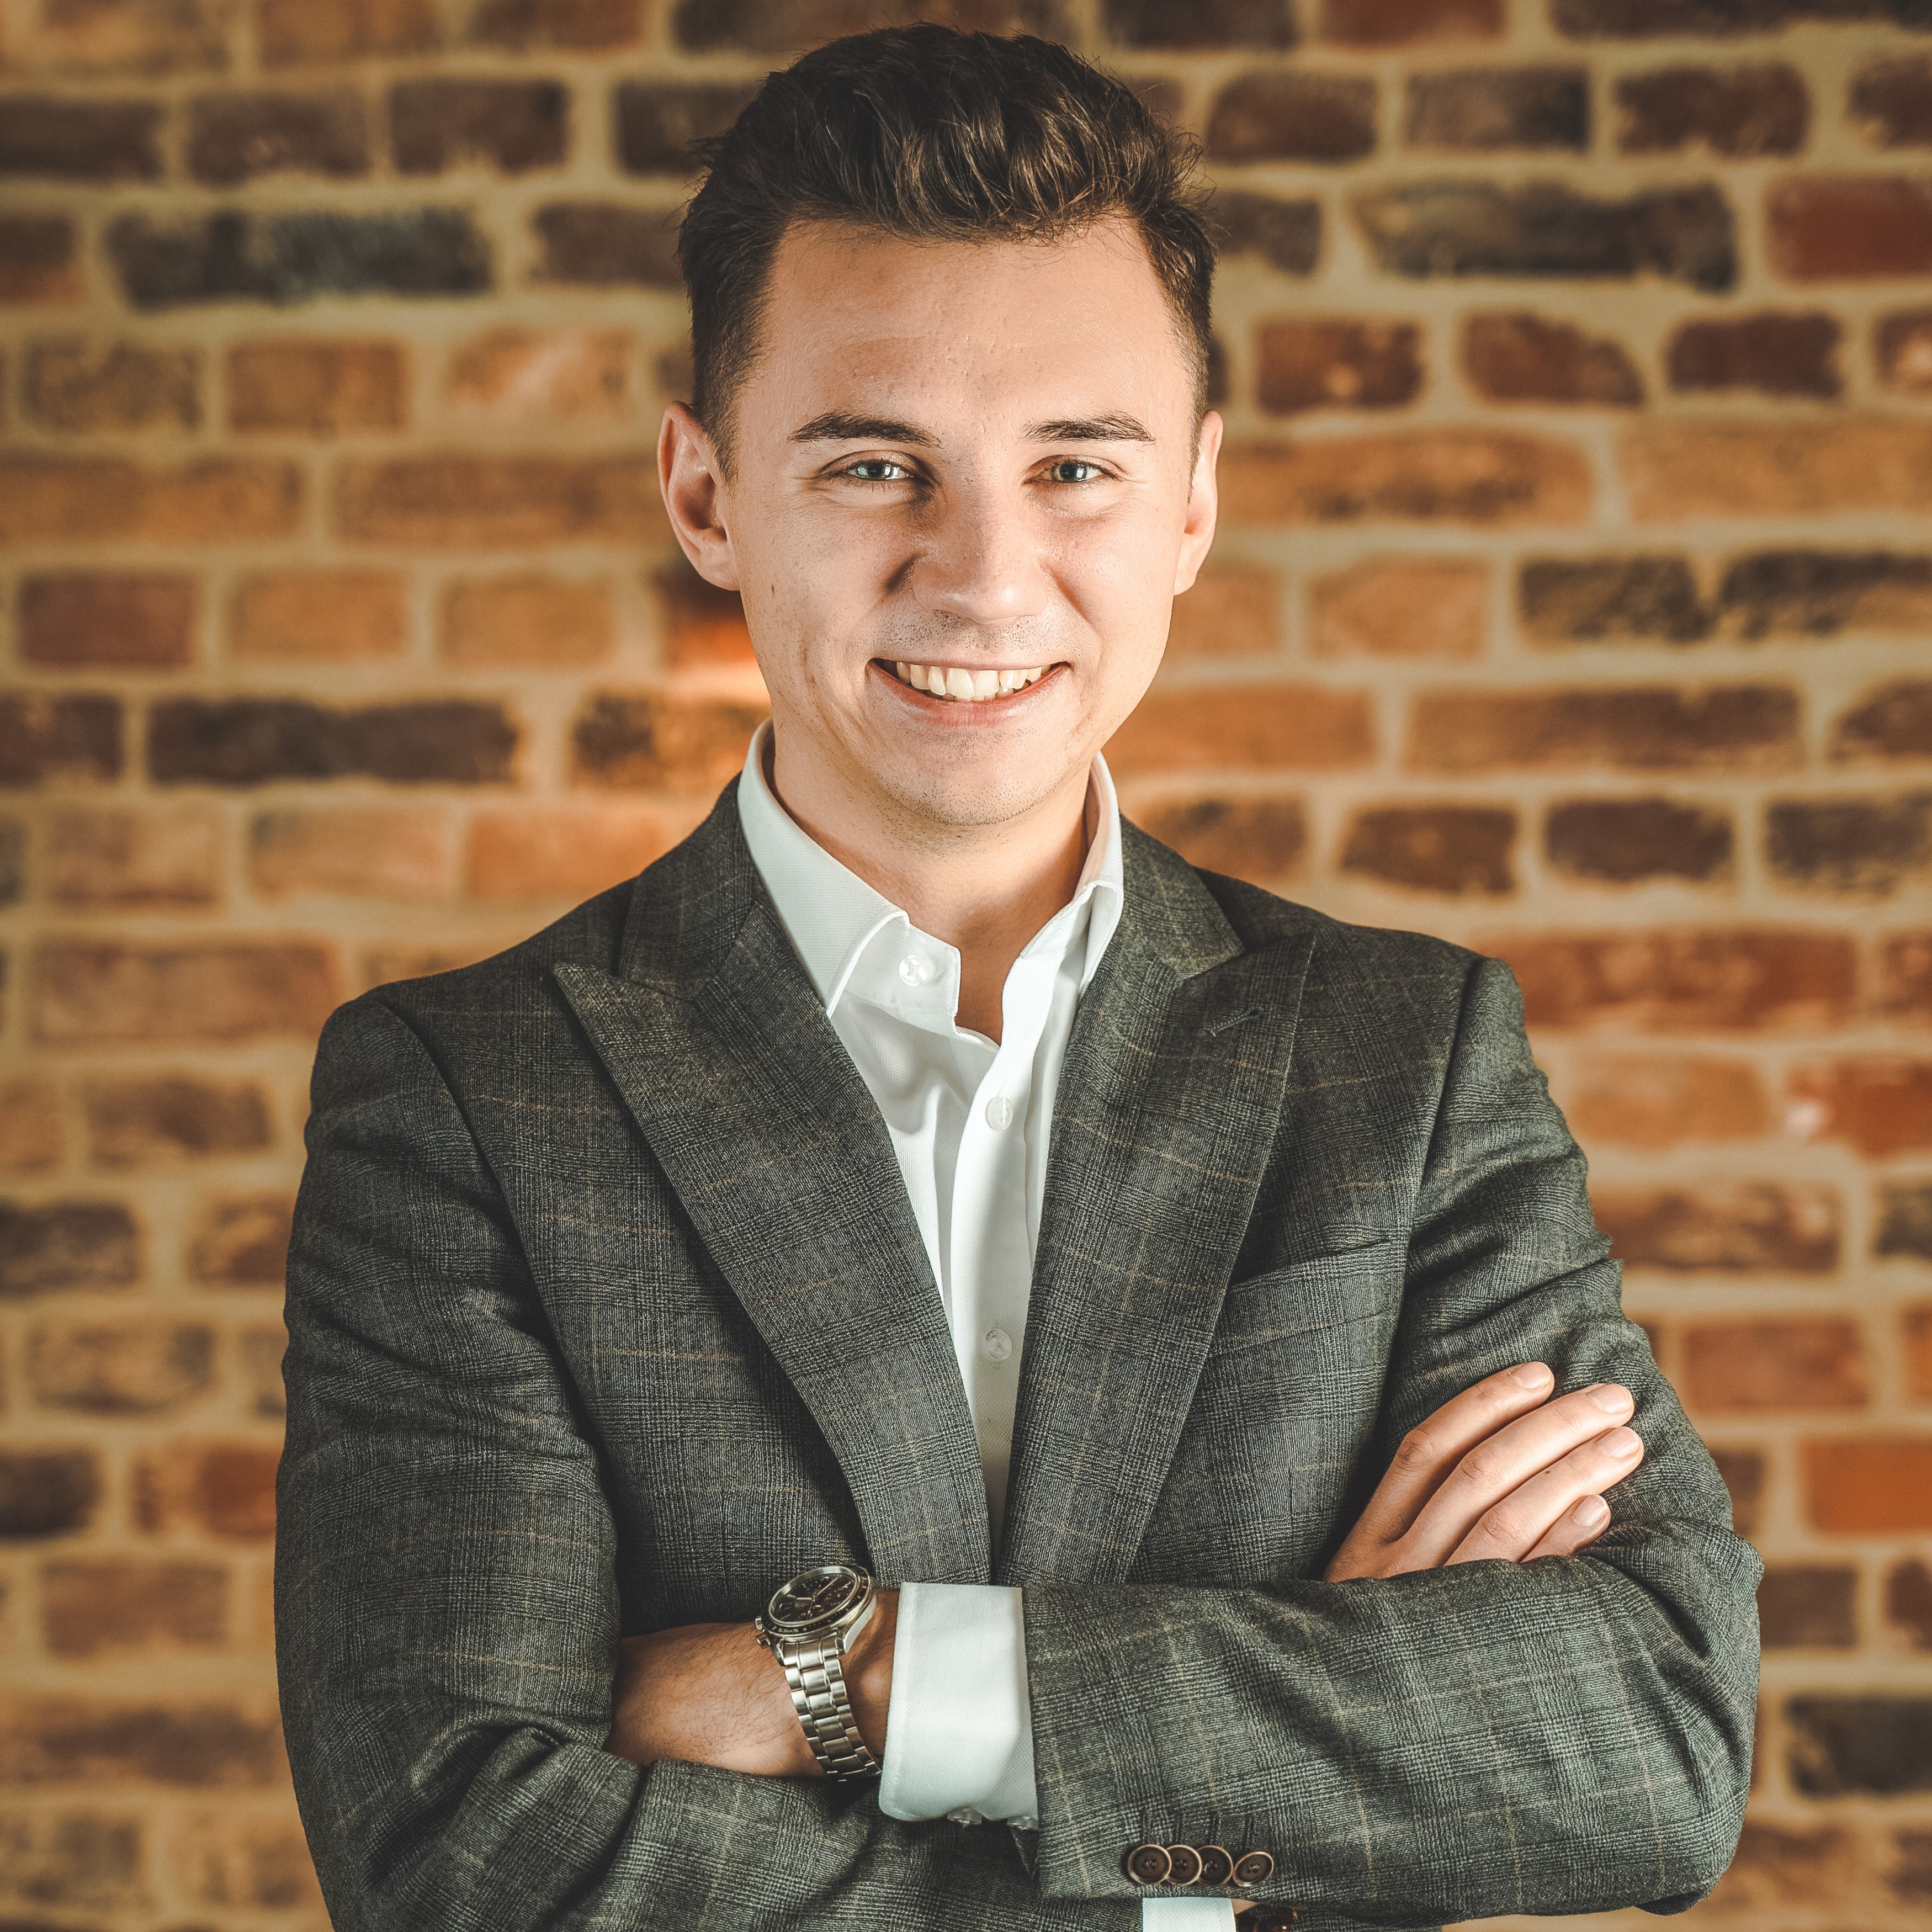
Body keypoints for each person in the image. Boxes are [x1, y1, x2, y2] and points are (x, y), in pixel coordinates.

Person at [276, 26, 1759, 1932]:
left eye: (1074, 464)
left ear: (1195, 503)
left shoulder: (1402, 1058)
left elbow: (1643, 1738)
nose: (982, 575)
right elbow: (467, 1863)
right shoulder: (466, 1096)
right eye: (875, 461)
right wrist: (1259, 1791)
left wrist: (848, 1676)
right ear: (708, 493)